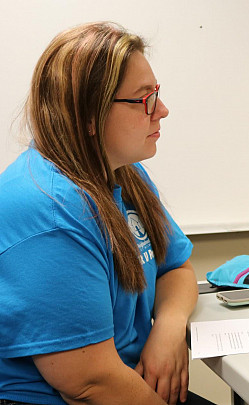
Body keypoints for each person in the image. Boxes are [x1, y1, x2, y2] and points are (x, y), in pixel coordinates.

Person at [0, 22, 209, 404]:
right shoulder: (48, 208)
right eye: (144, 98)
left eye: (157, 93)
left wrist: (168, 328)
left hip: (125, 382)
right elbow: (88, 384)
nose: (162, 110)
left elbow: (176, 268)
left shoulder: (123, 174)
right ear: (89, 116)